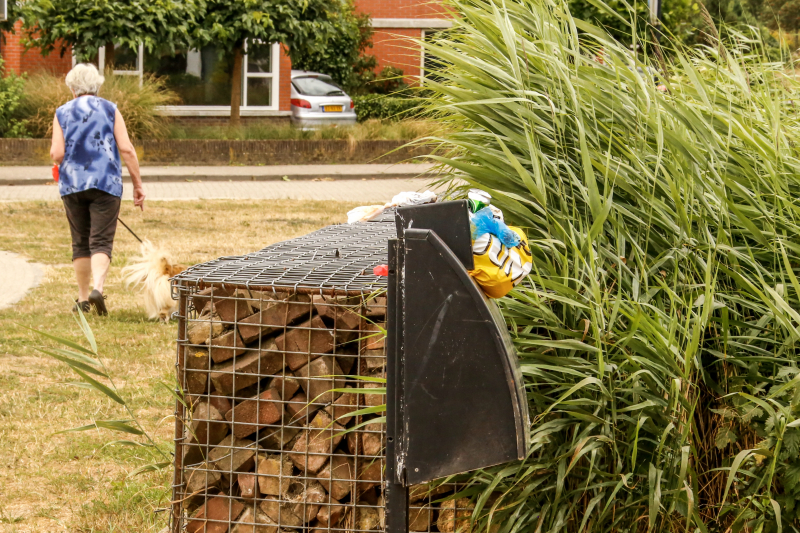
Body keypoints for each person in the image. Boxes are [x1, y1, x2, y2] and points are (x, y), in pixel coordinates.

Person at [49, 63, 146, 316]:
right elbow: (126, 149)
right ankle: (98, 290)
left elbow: (57, 153)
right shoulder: (110, 108)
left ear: (72, 89)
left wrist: (57, 161)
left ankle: (82, 299)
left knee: (80, 242)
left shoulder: (61, 112)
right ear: (97, 86)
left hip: (72, 185)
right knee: (101, 241)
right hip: (106, 184)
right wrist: (137, 185)